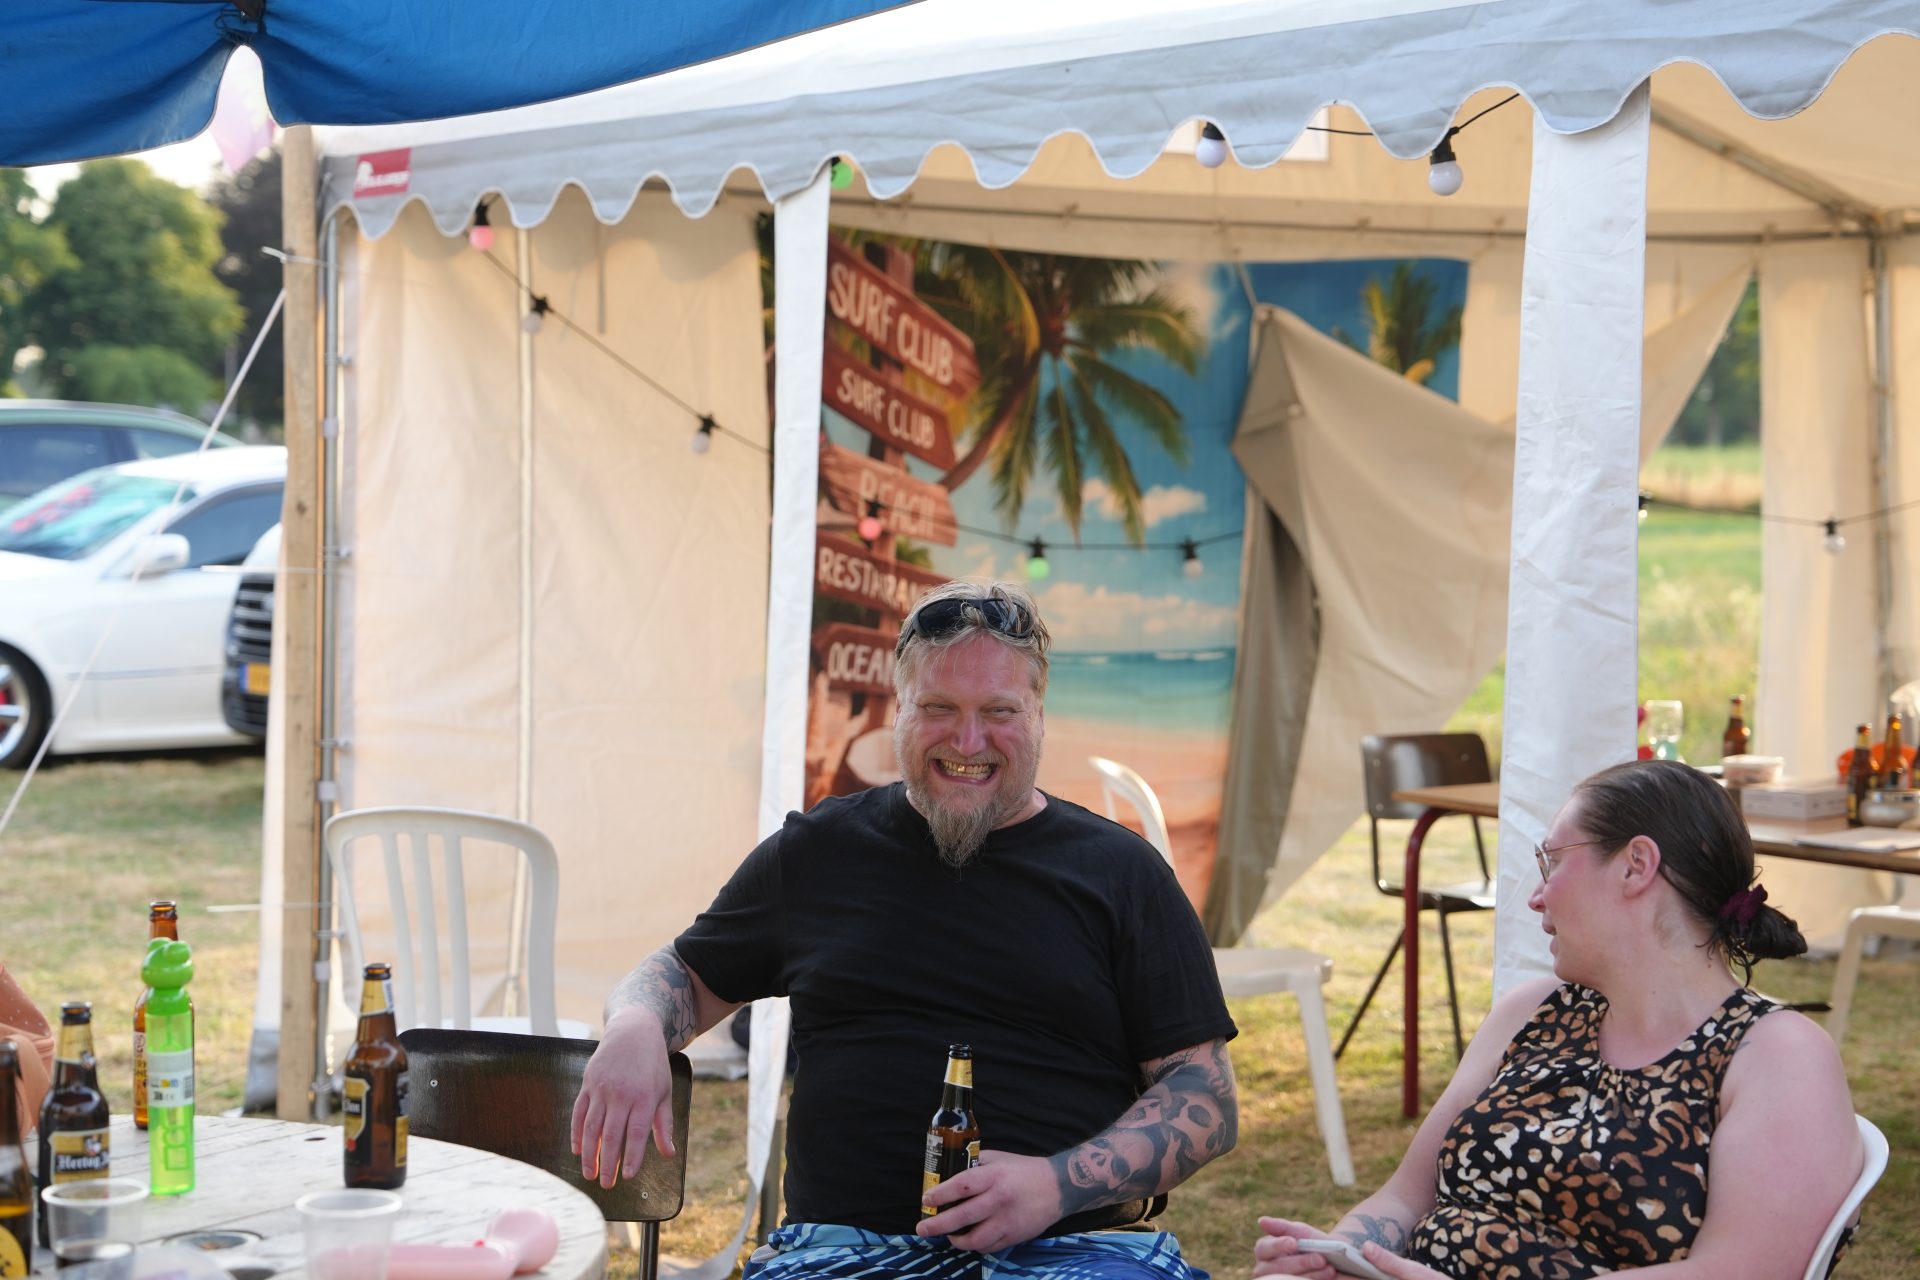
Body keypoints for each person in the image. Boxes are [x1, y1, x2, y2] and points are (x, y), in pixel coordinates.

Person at [573, 579, 1238, 1279]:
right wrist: (635, 1027)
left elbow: (1205, 1094)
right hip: (840, 1254)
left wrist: (1054, 1185)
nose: (968, 741)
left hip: (1076, 1251)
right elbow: (684, 973)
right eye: (939, 707)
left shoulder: (1122, 873)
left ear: (1040, 716)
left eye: (999, 711)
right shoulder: (820, 852)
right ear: (900, 710)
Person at [1254, 759, 1862, 1280]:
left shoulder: (1776, 1055)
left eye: (1552, 862)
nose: (1536, 895)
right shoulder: (1534, 1012)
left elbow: (1739, 1271)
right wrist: (1340, 1256)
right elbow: (1403, 1198)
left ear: (1636, 865)